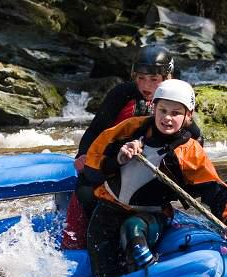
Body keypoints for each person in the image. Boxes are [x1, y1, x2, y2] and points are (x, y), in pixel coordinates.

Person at [81, 79, 227, 277]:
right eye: (163, 110)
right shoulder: (130, 129)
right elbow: (92, 165)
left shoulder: (189, 152)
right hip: (109, 208)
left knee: (133, 230)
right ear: (154, 108)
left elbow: (216, 191)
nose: (167, 118)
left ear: (188, 116)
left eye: (175, 113)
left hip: (151, 215)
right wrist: (119, 158)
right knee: (102, 265)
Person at [62, 45, 204, 249]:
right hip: (115, 161)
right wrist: (84, 154)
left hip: (150, 167)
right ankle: (76, 243)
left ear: (168, 77)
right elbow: (95, 130)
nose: (146, 85)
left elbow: (194, 135)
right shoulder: (121, 94)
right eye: (141, 78)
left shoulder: (175, 99)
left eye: (154, 80)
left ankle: (143, 233)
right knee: (85, 192)